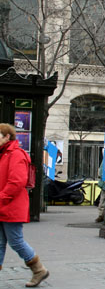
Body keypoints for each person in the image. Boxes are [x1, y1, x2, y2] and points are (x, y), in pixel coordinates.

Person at [0, 123, 50, 287]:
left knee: (16, 241)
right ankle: (38, 270)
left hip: (11, 206)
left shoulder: (16, 154)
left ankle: (39, 270)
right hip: (3, 204)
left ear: (7, 136)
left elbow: (17, 181)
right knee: (0, 242)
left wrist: (1, 197)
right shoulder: (3, 154)